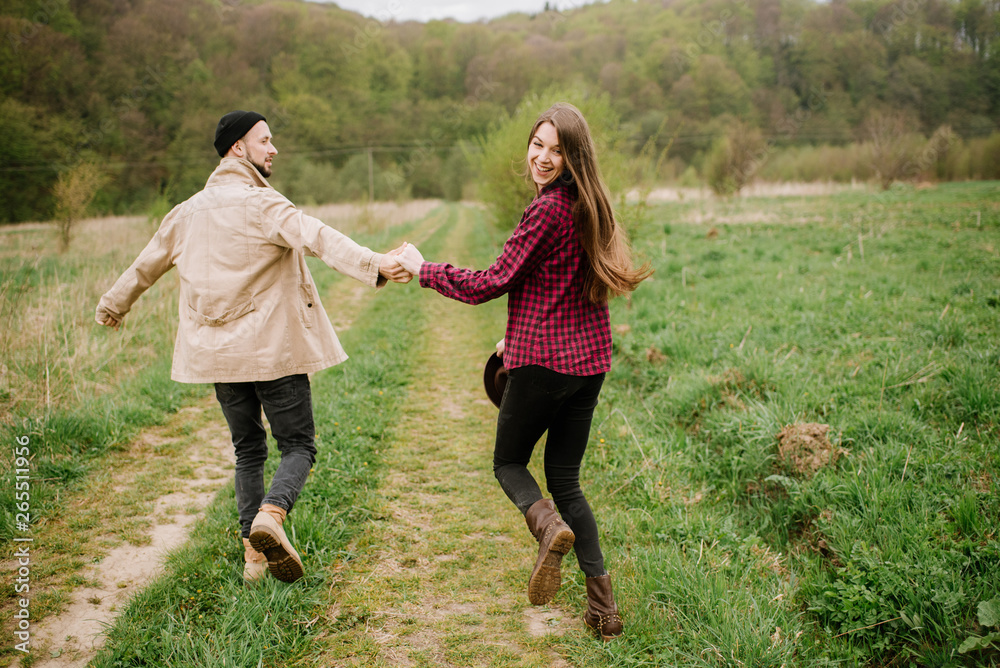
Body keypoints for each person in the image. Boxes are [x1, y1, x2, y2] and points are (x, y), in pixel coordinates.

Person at [95, 110, 411, 584]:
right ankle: (272, 516)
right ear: (237, 148)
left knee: (247, 450)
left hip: (220, 356)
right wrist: (377, 264)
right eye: (265, 140)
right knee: (299, 445)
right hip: (272, 351)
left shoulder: (185, 212)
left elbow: (145, 266)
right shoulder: (263, 205)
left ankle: (253, 561)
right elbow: (318, 238)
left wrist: (112, 305)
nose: (274, 148)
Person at [395, 102, 650, 641]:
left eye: (556, 149)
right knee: (566, 480)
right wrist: (517, 332)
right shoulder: (592, 205)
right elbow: (558, 286)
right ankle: (604, 612)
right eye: (538, 144)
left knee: (509, 463)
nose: (542, 157)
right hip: (589, 363)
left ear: (573, 155)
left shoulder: (548, 210)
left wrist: (423, 269)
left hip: (543, 365)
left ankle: (548, 527)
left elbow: (493, 281)